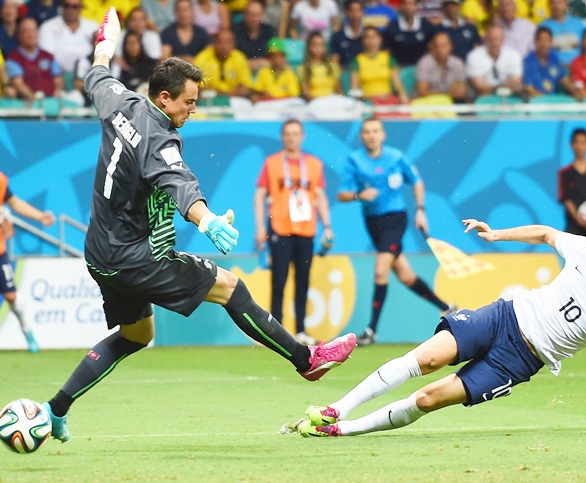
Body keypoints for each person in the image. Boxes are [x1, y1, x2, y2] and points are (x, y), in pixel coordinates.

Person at [42, 7, 356, 443]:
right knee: (230, 286)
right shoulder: (160, 137)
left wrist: (106, 41)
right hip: (135, 255)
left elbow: (97, 72)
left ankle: (54, 410)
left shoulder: (117, 99)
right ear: (164, 98)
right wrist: (206, 219)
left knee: (136, 333)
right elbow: (177, 180)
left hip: (100, 253)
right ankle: (307, 359)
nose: (192, 109)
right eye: (188, 101)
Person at [295, 219, 586, 437]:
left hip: (519, 362)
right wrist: (496, 235)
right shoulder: (585, 251)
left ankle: (341, 430)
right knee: (429, 357)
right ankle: (336, 409)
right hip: (505, 317)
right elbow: (546, 234)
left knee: (427, 399)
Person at [337, 117, 456, 346]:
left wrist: (421, 210)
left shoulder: (396, 157)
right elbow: (342, 194)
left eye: (376, 131)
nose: (371, 135)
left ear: (383, 134)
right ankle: (446, 307)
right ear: (361, 136)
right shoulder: (355, 161)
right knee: (405, 275)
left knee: (380, 272)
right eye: (367, 132)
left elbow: (417, 182)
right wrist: (359, 196)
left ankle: (371, 330)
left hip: (395, 219)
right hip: (372, 222)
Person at [253, 119, 333, 346]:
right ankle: (276, 331)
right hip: (280, 228)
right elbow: (259, 195)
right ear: (282, 137)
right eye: (287, 134)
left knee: (303, 282)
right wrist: (259, 226)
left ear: (302, 136)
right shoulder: (272, 163)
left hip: (307, 230)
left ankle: (300, 331)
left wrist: (327, 225)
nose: (291, 138)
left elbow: (320, 197)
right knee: (279, 281)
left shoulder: (314, 165)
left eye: (296, 134)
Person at [0, 170, 55, 353]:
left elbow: (15, 203)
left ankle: (27, 331)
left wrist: (40, 216)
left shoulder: (1, 181)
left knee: (11, 296)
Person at [6, 17, 64, 102]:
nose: (30, 35)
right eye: (26, 31)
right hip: (26, 102)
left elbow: (57, 78)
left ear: (37, 33)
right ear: (19, 35)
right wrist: (34, 99)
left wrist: (57, 91)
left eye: (33, 31)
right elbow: (18, 83)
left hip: (51, 100)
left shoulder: (48, 56)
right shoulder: (14, 58)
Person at [349, 26, 409, 104]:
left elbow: (398, 84)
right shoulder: (357, 61)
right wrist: (370, 98)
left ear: (380, 39)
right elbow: (354, 89)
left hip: (387, 100)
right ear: (363, 41)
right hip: (368, 101)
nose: (371, 41)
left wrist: (402, 94)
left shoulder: (388, 59)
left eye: (373, 37)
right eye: (367, 38)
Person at [37, 0, 99, 74]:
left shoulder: (93, 27)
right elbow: (46, 55)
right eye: (67, 6)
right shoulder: (47, 27)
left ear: (81, 8)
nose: (70, 10)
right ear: (61, 7)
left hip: (87, 74)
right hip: (57, 75)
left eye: (74, 7)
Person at [465, 23, 523, 97]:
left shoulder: (514, 55)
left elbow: (516, 83)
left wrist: (494, 88)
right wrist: (502, 86)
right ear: (485, 39)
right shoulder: (474, 56)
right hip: (482, 99)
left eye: (498, 39)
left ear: (503, 40)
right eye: (491, 39)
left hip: (510, 96)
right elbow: (480, 88)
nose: (494, 43)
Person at [192, 29, 253, 97]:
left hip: (234, 98)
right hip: (211, 98)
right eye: (220, 42)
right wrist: (225, 93)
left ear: (233, 44)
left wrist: (225, 94)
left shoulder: (239, 58)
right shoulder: (203, 58)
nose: (224, 46)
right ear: (214, 43)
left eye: (227, 42)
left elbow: (246, 87)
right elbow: (198, 87)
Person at [415, 30, 467, 101]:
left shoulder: (457, 63)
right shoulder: (424, 63)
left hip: (451, 101)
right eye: (437, 46)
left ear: (451, 47)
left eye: (444, 46)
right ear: (432, 47)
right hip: (429, 102)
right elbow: (422, 92)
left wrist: (438, 93)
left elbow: (462, 92)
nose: (440, 49)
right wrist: (447, 93)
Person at [522, 26, 572, 97]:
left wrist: (575, 91)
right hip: (536, 102)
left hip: (553, 101)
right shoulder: (528, 61)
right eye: (540, 40)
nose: (543, 44)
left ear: (551, 42)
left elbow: (564, 79)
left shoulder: (554, 58)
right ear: (535, 42)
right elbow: (529, 89)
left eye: (546, 40)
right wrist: (544, 100)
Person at [383, 0, 435, 67]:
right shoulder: (391, 27)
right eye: (405, 4)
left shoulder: (427, 26)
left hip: (423, 68)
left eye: (411, 4)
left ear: (417, 7)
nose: (408, 7)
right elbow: (387, 51)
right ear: (400, 6)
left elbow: (432, 48)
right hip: (399, 68)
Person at [232, 0, 277, 73]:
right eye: (249, 14)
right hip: (240, 73)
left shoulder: (270, 32)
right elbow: (230, 58)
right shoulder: (235, 31)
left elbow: (277, 57)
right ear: (244, 15)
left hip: (265, 74)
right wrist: (253, 63)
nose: (253, 18)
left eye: (256, 15)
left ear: (262, 16)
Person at [251, 36, 301, 101]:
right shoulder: (263, 72)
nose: (276, 59)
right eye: (273, 56)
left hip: (284, 105)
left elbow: (293, 96)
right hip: (267, 104)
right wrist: (262, 95)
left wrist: (275, 98)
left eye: (278, 56)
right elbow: (256, 93)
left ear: (283, 57)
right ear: (269, 57)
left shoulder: (289, 74)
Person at [539, 0, 586, 67]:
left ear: (566, 5)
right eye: (553, 3)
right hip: (553, 68)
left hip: (578, 67)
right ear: (549, 5)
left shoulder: (578, 24)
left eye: (560, 3)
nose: (557, 6)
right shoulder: (544, 26)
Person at [297, 30, 341, 100]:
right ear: (309, 47)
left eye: (321, 45)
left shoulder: (333, 65)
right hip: (314, 103)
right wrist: (320, 102)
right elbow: (306, 92)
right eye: (315, 45)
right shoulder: (303, 68)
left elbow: (338, 90)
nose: (318, 49)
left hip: (332, 102)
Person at [329, 0, 364, 69]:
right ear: (347, 13)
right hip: (345, 73)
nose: (354, 14)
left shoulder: (367, 35)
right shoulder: (338, 37)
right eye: (351, 11)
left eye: (357, 10)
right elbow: (334, 61)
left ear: (362, 12)